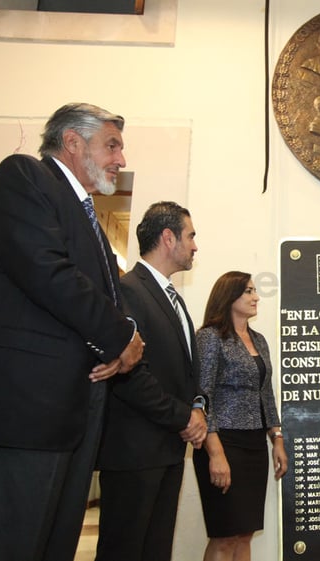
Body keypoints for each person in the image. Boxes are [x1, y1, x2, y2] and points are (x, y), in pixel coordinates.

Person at [0, 102, 145, 561]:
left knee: (50, 544)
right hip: (21, 409)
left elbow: (105, 294)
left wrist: (120, 334)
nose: (120, 159)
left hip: (70, 413)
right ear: (72, 142)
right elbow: (48, 272)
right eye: (112, 145)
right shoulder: (26, 177)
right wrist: (121, 338)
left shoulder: (85, 212)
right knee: (1, 543)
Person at [95, 201, 207, 561]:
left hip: (168, 450)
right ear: (168, 237)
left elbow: (186, 371)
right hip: (134, 452)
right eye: (190, 236)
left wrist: (198, 408)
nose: (194, 246)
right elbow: (129, 374)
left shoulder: (172, 298)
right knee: (124, 550)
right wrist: (183, 418)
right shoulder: (128, 290)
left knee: (155, 550)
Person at [193, 271, 288, 561]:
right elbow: (202, 397)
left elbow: (266, 394)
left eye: (254, 290)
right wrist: (216, 452)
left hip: (254, 446)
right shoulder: (210, 337)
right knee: (224, 536)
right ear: (229, 296)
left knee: (245, 533)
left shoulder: (259, 340)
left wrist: (277, 439)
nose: (256, 296)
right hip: (222, 442)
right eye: (248, 291)